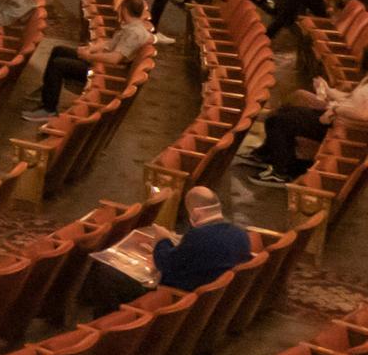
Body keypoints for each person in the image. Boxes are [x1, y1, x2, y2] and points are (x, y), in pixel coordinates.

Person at [79, 186, 251, 311]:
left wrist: (162, 239)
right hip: (211, 294)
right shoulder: (241, 234)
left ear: (196, 213)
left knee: (105, 272)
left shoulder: (199, 237)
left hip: (178, 294)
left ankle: (109, 318)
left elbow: (166, 264)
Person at [243, 48, 368, 184]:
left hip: (343, 127)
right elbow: (351, 98)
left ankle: (282, 172)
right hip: (335, 118)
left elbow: (363, 114)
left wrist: (336, 109)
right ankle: (268, 154)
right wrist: (328, 90)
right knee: (285, 111)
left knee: (281, 121)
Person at [23, 0, 154, 121]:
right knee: (58, 50)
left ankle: (49, 109)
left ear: (124, 9)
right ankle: (47, 90)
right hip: (100, 63)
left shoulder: (133, 33)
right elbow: (111, 43)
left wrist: (89, 56)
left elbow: (115, 59)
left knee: (59, 64)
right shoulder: (134, 27)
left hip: (101, 70)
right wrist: (91, 49)